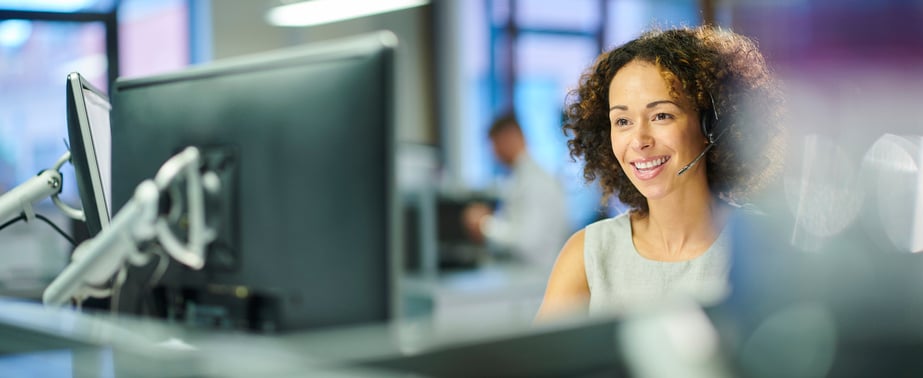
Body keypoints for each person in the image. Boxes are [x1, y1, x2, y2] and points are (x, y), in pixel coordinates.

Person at [535, 25, 785, 321]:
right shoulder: (587, 255)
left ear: (711, 125)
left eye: (661, 116)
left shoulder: (768, 248)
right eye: (623, 121)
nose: (639, 140)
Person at [462, 113, 570, 273]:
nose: (493, 152)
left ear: (509, 137)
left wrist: (485, 225)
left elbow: (528, 241)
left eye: (494, 144)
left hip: (534, 278)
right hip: (527, 276)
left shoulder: (536, 181)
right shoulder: (521, 178)